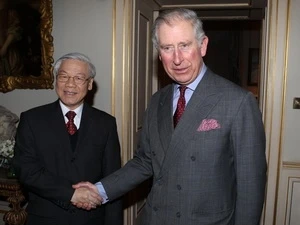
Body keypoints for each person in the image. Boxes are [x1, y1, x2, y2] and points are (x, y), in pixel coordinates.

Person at [74, 8, 267, 225]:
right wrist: (100, 190)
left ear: (202, 46)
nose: (177, 59)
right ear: (159, 53)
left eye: (184, 46)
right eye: (167, 48)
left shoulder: (238, 101)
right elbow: (146, 161)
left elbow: (251, 185)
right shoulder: (158, 100)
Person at [13, 52, 123, 225]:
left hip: (92, 219)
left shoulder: (106, 123)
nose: (70, 84)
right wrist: (71, 194)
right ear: (56, 80)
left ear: (90, 84)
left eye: (79, 78)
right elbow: (27, 171)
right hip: (45, 218)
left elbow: (113, 179)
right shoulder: (32, 119)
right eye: (63, 76)